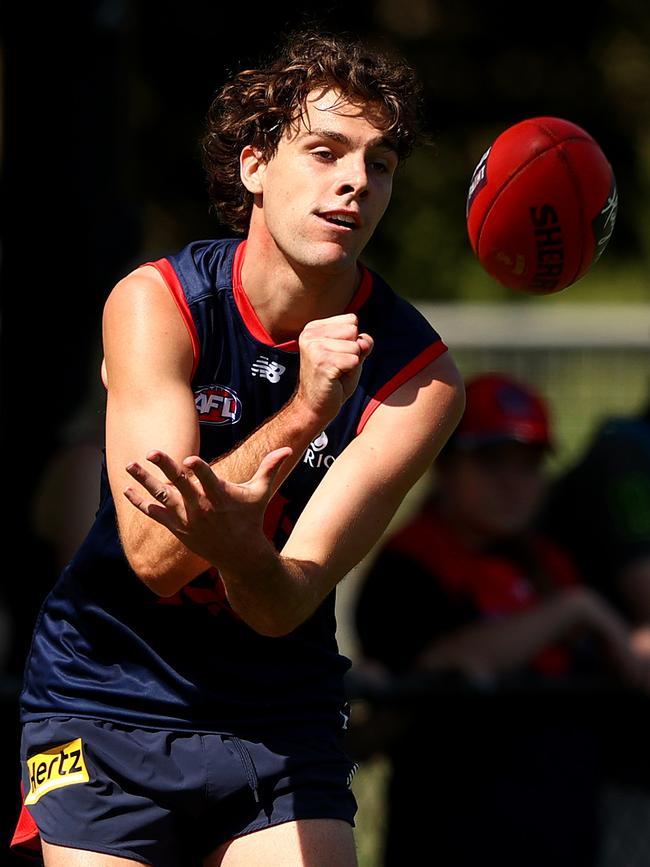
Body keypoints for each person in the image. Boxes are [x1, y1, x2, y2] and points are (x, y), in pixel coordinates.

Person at [11, 29, 464, 867]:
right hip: (105, 697)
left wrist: (239, 548)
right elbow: (153, 556)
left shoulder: (419, 376)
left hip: (276, 711)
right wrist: (303, 412)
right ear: (254, 166)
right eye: (325, 150)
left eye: (381, 163)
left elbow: (280, 603)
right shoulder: (157, 303)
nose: (356, 180)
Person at [352, 372, 650, 867]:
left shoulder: (552, 559)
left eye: (529, 466)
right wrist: (577, 609)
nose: (514, 485)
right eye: (492, 463)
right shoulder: (409, 566)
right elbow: (435, 663)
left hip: (567, 832)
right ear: (445, 465)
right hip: (457, 837)